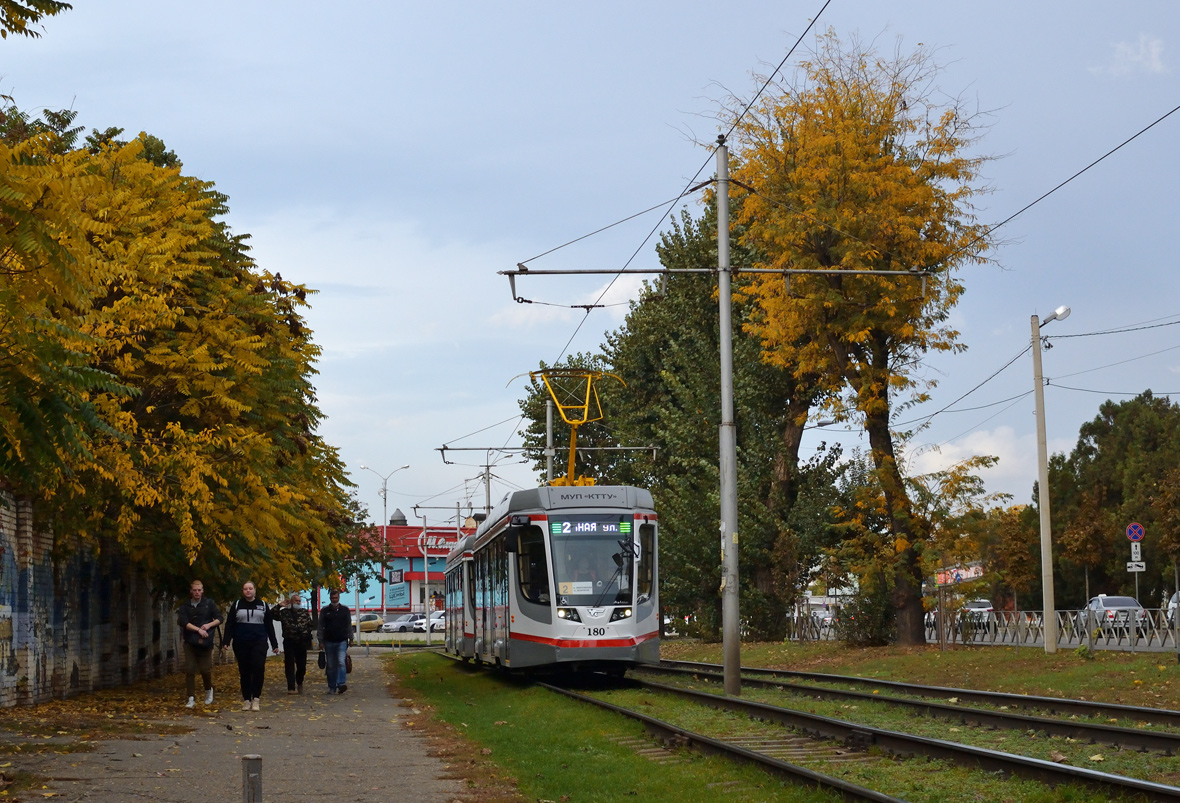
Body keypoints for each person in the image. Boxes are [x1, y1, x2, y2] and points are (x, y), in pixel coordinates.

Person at [221, 581, 278, 711]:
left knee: (258, 668)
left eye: (250, 588)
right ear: (242, 591)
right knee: (244, 670)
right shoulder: (237, 605)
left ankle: (256, 698)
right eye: (246, 589)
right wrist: (226, 641)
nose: (248, 591)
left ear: (255, 590)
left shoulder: (262, 605)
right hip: (241, 642)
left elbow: (269, 626)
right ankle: (246, 699)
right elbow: (230, 624)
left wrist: (274, 644)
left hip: (259, 641)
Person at [176, 580, 222, 708]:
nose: (197, 592)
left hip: (205, 642)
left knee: (205, 669)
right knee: (190, 669)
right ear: (191, 591)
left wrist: (208, 625)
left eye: (199, 590)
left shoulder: (209, 604)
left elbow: (219, 618)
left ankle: (208, 690)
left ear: (202, 591)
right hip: (190, 641)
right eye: (195, 590)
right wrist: (198, 630)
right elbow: (183, 622)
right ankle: (191, 697)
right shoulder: (185, 606)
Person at [274, 593, 314, 694]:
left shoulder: (304, 612)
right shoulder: (284, 613)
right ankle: (291, 687)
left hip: (302, 641)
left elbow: (310, 624)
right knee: (289, 664)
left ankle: (299, 681)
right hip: (289, 641)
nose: (298, 603)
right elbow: (272, 615)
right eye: (296, 601)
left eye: (299, 601)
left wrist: (308, 636)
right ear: (291, 602)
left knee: (302, 665)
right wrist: (279, 605)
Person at [317, 589, 352, 694]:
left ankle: (341, 683)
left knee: (341, 662)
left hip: (342, 640)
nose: (334, 600)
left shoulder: (345, 610)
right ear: (330, 598)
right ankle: (332, 687)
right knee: (331, 665)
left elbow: (348, 625)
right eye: (332, 598)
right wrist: (320, 640)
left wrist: (351, 638)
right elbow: (320, 626)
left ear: (339, 598)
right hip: (329, 641)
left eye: (336, 598)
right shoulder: (325, 610)